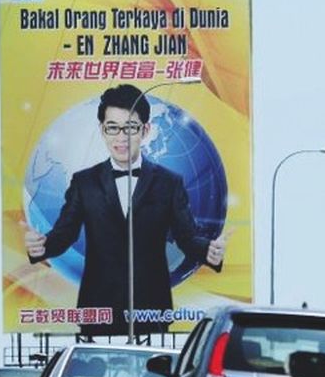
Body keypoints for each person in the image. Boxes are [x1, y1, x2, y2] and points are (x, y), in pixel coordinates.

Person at [24, 84, 227, 336]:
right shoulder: (84, 183)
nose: (121, 138)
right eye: (113, 128)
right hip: (99, 308)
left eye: (130, 128)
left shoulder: (168, 183)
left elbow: (186, 237)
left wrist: (209, 252)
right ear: (102, 130)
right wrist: (42, 247)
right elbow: (65, 234)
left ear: (145, 130)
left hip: (151, 309)